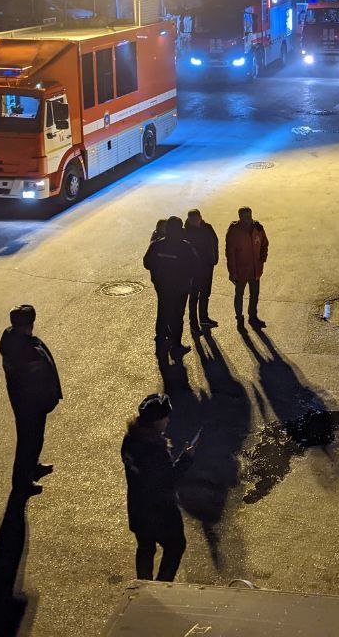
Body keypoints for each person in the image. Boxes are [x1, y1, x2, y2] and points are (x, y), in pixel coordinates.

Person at [121, 393, 195, 582]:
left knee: (146, 547)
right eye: (165, 417)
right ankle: (162, 584)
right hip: (160, 511)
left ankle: (143, 584)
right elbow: (168, 479)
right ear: (156, 421)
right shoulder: (155, 450)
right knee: (176, 545)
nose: (168, 420)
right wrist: (186, 458)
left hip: (138, 507)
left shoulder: (130, 440)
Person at [0, 304, 63, 496]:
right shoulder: (25, 350)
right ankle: (22, 483)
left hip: (28, 401)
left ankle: (32, 467)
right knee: (27, 441)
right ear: (28, 324)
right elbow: (38, 377)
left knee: (35, 438)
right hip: (30, 403)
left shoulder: (13, 338)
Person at [143, 217, 199, 359]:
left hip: (162, 286)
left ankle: (161, 339)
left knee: (163, 311)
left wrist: (159, 273)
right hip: (180, 288)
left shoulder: (157, 245)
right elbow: (195, 266)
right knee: (177, 316)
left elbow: (147, 263)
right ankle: (176, 346)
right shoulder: (185, 247)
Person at [225, 207, 269, 330]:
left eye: (249, 216)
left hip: (255, 269)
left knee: (254, 294)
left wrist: (262, 259)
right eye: (244, 217)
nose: (247, 219)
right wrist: (232, 272)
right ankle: (240, 319)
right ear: (239, 217)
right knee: (239, 295)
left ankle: (253, 317)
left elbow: (264, 244)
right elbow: (230, 253)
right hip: (241, 271)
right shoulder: (234, 231)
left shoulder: (258, 228)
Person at [183, 209, 219, 332]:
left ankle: (204, 318)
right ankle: (193, 324)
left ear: (200, 217)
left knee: (205, 294)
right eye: (192, 219)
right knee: (193, 297)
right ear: (189, 219)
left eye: (196, 219)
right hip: (194, 270)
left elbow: (215, 242)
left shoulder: (207, 227)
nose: (195, 221)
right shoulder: (186, 232)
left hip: (208, 266)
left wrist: (215, 259)